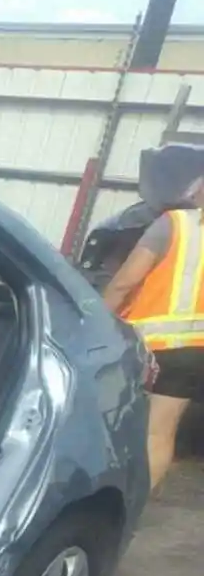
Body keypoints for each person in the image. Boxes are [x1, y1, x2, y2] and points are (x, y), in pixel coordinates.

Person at [103, 178, 204, 493]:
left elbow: (125, 281)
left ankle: (100, 495)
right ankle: (134, 504)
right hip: (193, 351)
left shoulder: (174, 225)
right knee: (159, 433)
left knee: (110, 422)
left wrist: (97, 319)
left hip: (144, 345)